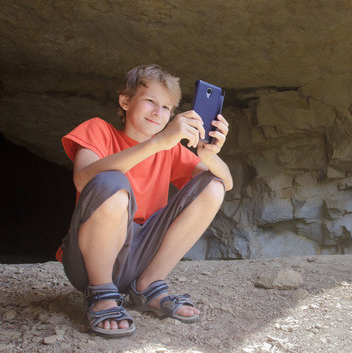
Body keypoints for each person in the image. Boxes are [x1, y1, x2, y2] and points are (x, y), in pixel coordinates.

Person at [56, 64, 232, 338]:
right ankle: (101, 292)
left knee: (213, 185)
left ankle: (148, 284)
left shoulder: (170, 150)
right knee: (112, 182)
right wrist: (157, 142)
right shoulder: (98, 130)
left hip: (142, 257)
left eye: (166, 108)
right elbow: (84, 179)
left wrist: (209, 154)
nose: (157, 112)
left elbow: (225, 183)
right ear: (125, 101)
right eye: (150, 101)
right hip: (89, 263)